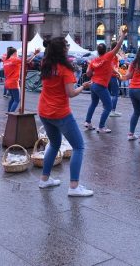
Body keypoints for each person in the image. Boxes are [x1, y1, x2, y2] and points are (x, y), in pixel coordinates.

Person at [38, 36, 93, 197]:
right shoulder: (65, 69)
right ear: (62, 49)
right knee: (79, 146)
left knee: (54, 144)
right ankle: (74, 186)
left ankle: (44, 179)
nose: (68, 47)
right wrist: (82, 86)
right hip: (60, 113)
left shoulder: (45, 64)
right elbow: (71, 93)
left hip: (44, 110)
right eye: (66, 45)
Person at [84, 30, 127, 133]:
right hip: (101, 85)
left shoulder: (94, 61)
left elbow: (88, 74)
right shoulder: (108, 56)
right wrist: (123, 35)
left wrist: (92, 69)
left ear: (98, 51)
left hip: (93, 84)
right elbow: (118, 46)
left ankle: (87, 122)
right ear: (106, 50)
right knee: (108, 106)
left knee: (93, 103)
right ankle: (101, 127)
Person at [3, 47, 39, 113]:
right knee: (17, 100)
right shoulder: (14, 59)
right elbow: (27, 61)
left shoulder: (6, 60)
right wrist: (34, 54)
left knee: (12, 98)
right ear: (15, 53)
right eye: (17, 53)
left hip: (7, 82)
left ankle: (8, 112)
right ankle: (11, 114)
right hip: (14, 82)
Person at [108, 44, 123, 118]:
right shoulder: (114, 56)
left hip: (108, 77)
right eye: (119, 47)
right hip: (113, 77)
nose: (120, 49)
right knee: (115, 94)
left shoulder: (110, 54)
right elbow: (112, 67)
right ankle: (112, 111)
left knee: (110, 94)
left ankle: (109, 110)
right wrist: (118, 73)